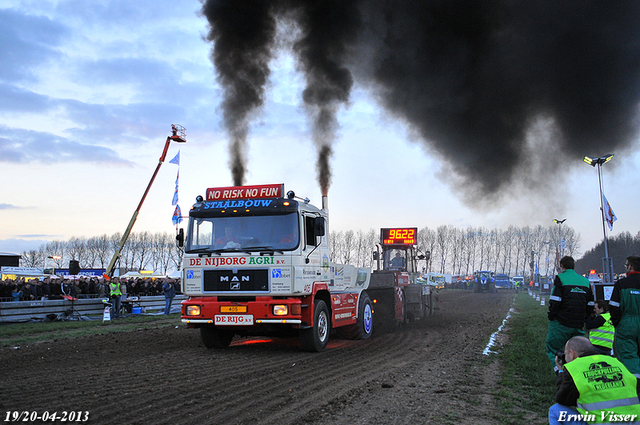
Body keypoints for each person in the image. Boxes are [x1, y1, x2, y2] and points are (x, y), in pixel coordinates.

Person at [548, 336, 639, 425]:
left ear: (572, 354)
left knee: (555, 410)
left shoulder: (574, 368)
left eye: (566, 354)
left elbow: (562, 399)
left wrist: (561, 372)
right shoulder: (615, 362)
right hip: (634, 420)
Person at [547, 256, 594, 372]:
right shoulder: (585, 281)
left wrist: (551, 316)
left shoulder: (560, 278)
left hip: (561, 322)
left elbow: (555, 300)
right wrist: (584, 318)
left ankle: (560, 372)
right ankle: (578, 372)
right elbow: (590, 303)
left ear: (561, 266)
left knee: (553, 347)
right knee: (578, 350)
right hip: (578, 323)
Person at [610, 256, 640, 378]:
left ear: (630, 267)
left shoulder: (621, 284)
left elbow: (613, 307)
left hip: (626, 324)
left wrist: (618, 323)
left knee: (628, 356)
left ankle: (634, 383)